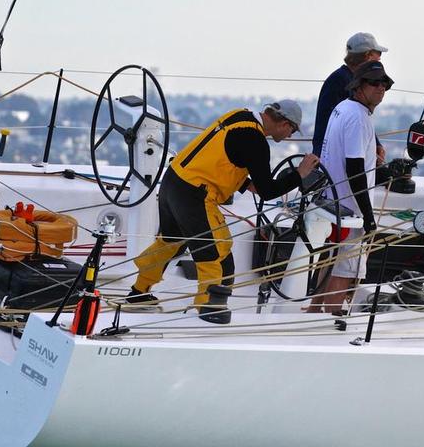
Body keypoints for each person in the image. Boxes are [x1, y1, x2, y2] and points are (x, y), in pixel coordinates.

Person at [125, 100, 319, 323]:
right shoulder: (256, 140)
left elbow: (223, 157)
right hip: (195, 194)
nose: (291, 137)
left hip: (174, 182)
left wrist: (246, 184)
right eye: (292, 130)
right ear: (284, 123)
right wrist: (300, 174)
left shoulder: (240, 116)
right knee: (216, 253)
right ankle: (208, 311)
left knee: (170, 242)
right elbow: (268, 191)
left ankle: (138, 293)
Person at [308, 60, 393, 313]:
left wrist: (385, 172)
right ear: (359, 86)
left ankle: (315, 310)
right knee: (346, 268)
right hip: (350, 209)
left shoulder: (343, 108)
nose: (380, 88)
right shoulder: (358, 118)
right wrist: (368, 217)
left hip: (333, 200)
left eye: (384, 84)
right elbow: (355, 170)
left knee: (332, 257)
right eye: (374, 83)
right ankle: (333, 320)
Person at [313, 32, 388, 164]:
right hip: (334, 159)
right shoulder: (339, 81)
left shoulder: (341, 79)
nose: (380, 59)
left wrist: (375, 144)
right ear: (368, 56)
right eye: (378, 55)